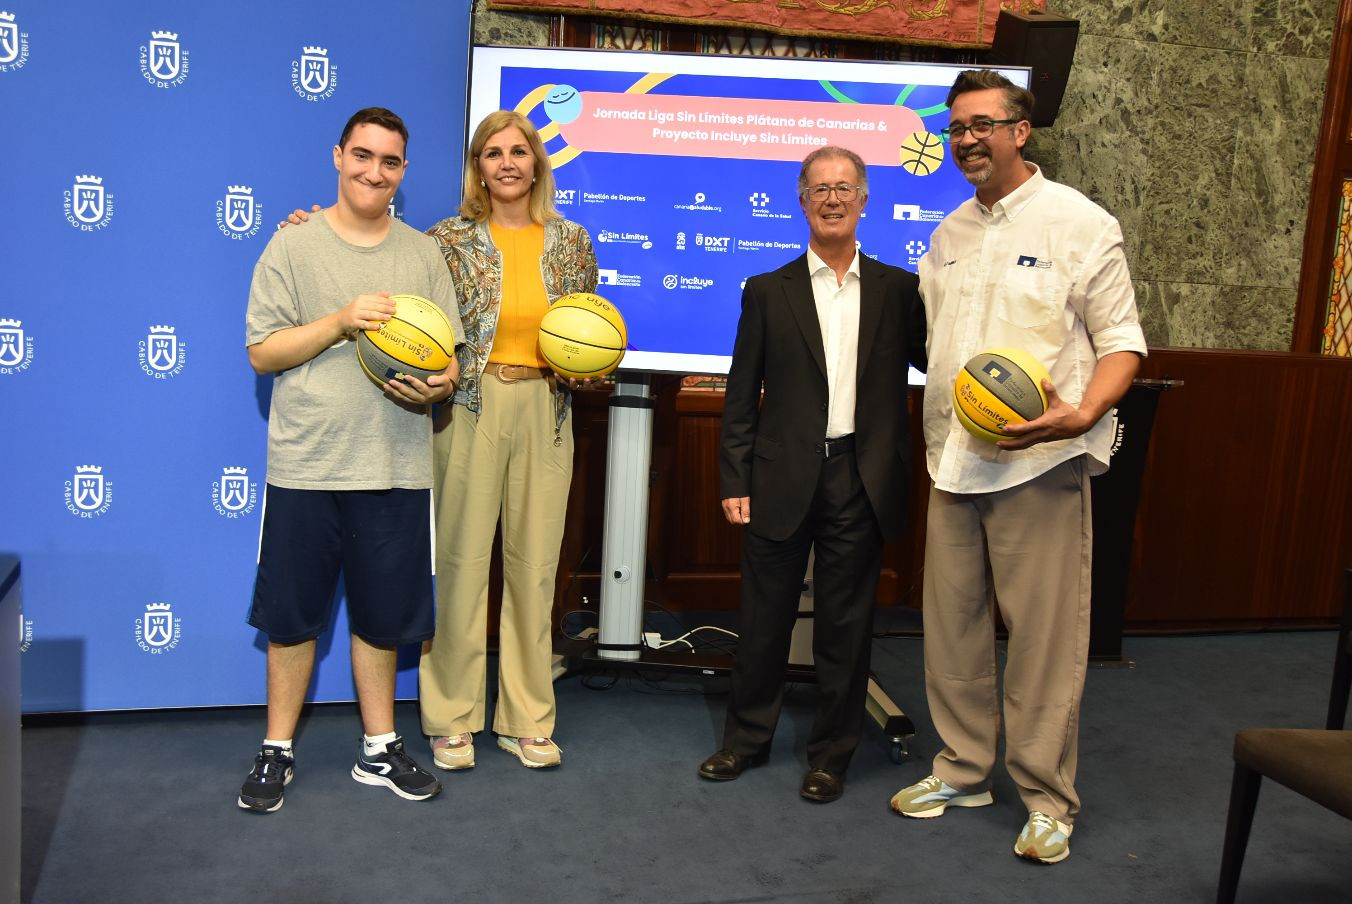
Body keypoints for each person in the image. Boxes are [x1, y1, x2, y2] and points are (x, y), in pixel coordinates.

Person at [888, 70, 1146, 864]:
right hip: (953, 463)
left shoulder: (1080, 222)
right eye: (957, 126)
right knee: (953, 632)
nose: (966, 139)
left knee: (1042, 639)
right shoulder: (948, 233)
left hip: (1041, 465)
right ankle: (964, 769)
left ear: (1020, 130)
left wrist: (1084, 412)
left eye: (982, 125)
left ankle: (1046, 797)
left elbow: (1122, 344)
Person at [237, 107, 463, 813]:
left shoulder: (422, 255)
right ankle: (277, 749)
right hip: (306, 467)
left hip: (394, 467)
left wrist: (435, 384)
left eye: (390, 161)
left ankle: (379, 748)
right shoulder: (293, 245)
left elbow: (451, 367)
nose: (374, 171)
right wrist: (340, 321)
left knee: (380, 618)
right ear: (338, 156)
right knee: (291, 618)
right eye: (362, 156)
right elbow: (261, 351)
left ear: (403, 171)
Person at [698, 146, 928, 803]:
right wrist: (733, 479)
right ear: (801, 201)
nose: (832, 198)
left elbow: (938, 362)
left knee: (845, 630)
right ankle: (744, 743)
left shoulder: (900, 290)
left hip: (862, 480)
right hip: (777, 480)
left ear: (864, 201)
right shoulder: (767, 291)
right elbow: (742, 396)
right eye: (820, 188)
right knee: (763, 620)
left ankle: (832, 756)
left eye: (845, 188)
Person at [416, 110, 598, 771]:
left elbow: (590, 334)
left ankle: (527, 717)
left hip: (548, 408)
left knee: (534, 568)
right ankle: (451, 717)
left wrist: (594, 363)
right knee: (462, 564)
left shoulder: (572, 241)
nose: (507, 163)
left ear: (537, 163)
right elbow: (423, 326)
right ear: (478, 167)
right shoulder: (446, 240)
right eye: (492, 153)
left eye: (518, 151)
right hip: (469, 406)